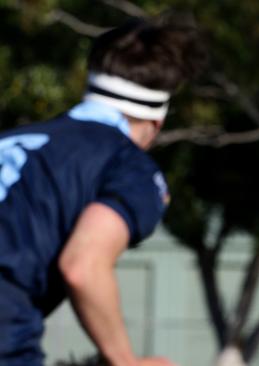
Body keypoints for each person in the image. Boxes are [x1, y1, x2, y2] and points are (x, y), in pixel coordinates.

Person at [0, 16, 206, 366]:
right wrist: (125, 361)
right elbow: (83, 267)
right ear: (156, 122)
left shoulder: (12, 139)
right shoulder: (127, 164)